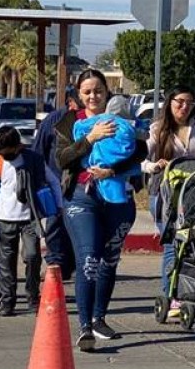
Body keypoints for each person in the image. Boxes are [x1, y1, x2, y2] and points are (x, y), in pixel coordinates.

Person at [55, 69, 146, 351]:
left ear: (107, 93)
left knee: (109, 258)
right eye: (87, 92)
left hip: (117, 197)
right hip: (81, 197)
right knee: (89, 256)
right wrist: (90, 139)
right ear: (78, 95)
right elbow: (62, 158)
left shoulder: (119, 122)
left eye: (98, 91)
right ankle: (84, 328)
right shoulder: (69, 122)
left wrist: (112, 170)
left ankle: (99, 318)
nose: (93, 96)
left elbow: (140, 151)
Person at [142, 86, 195, 316]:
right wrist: (153, 166)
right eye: (179, 102)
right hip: (165, 195)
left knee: (190, 245)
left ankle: (187, 291)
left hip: (194, 194)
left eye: (189, 103)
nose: (184, 107)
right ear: (170, 102)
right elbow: (141, 158)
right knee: (172, 244)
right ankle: (171, 296)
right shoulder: (158, 129)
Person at [0, 127, 63, 317]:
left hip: (30, 218)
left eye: (9, 152)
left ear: (18, 146)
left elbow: (53, 182)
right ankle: (7, 301)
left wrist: (58, 206)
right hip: (4, 218)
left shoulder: (33, 160)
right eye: (2, 153)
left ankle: (33, 298)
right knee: (6, 263)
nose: (6, 156)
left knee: (33, 257)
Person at [32, 88, 79, 280]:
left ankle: (71, 265)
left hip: (81, 184)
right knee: (55, 226)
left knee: (76, 226)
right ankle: (54, 264)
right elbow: (38, 150)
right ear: (70, 102)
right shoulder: (53, 120)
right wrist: (40, 180)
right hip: (56, 183)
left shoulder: (92, 120)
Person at [73, 95, 140, 204]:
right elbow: (143, 135)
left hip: (99, 160)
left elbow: (79, 126)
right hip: (118, 161)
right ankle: (117, 196)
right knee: (116, 192)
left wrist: (83, 135)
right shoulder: (129, 125)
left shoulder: (99, 120)